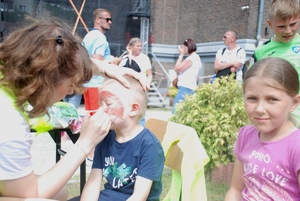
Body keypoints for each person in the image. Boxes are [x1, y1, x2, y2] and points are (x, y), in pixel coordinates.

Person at [0, 18, 149, 201]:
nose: (70, 91)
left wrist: (104, 68)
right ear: (48, 78)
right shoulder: (9, 122)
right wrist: (84, 144)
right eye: (70, 83)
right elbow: (31, 196)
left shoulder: (7, 73)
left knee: (60, 192)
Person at [224, 57, 300, 200]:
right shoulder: (245, 135)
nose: (259, 109)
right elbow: (235, 189)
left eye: (272, 99)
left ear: (294, 102)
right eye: (252, 98)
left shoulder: (296, 145)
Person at [80, 75, 165, 201]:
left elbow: (139, 196)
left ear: (133, 109)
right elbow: (94, 182)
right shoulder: (105, 137)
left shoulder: (149, 145)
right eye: (100, 104)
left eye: (108, 103)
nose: (101, 110)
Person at [251, 0, 300, 124]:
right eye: (281, 26)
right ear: (270, 24)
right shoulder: (261, 51)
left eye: (293, 24)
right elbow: (252, 84)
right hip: (272, 118)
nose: (288, 31)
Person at [119, 37, 152, 126]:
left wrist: (148, 83)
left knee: (141, 112)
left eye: (140, 46)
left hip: (142, 87)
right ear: (131, 47)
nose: (140, 48)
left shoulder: (145, 58)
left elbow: (149, 74)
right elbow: (127, 68)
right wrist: (129, 53)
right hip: (129, 88)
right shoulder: (125, 58)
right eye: (137, 46)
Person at [172, 38, 202, 114]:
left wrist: (181, 55)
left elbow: (177, 69)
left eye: (184, 47)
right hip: (191, 87)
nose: (183, 49)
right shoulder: (197, 58)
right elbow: (197, 77)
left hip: (185, 88)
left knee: (176, 113)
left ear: (187, 47)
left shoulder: (191, 58)